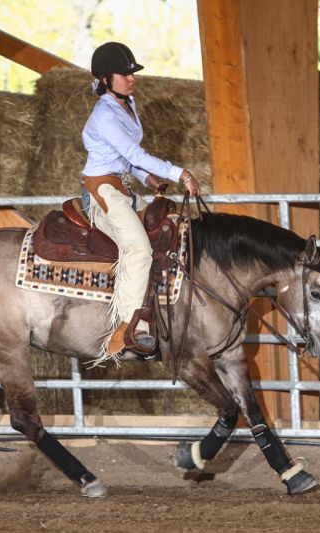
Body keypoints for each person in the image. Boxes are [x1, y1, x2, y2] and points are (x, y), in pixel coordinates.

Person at [80, 41, 201, 362]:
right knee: (138, 248)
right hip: (103, 190)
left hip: (122, 187)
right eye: (125, 74)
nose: (132, 79)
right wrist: (181, 174)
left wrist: (144, 177)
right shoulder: (105, 114)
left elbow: (124, 156)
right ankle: (127, 329)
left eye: (132, 74)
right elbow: (134, 153)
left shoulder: (127, 105)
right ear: (106, 79)